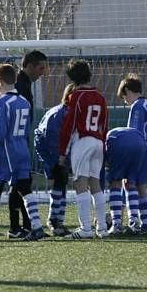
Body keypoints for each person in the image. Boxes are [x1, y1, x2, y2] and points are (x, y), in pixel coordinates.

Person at [0, 64, 45, 242]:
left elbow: (0, 131)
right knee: (25, 188)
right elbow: (27, 128)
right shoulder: (24, 102)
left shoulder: (2, 102)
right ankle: (37, 227)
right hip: (21, 149)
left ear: (0, 81)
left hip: (7, 151)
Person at [57, 59, 108, 239]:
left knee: (80, 183)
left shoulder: (77, 96)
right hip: (98, 142)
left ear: (72, 78)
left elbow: (69, 126)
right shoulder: (100, 96)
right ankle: (102, 228)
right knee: (96, 184)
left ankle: (85, 228)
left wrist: (62, 152)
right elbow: (104, 124)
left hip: (83, 141)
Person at [116, 74, 147, 234]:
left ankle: (134, 222)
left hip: (141, 149)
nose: (125, 101)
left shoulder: (137, 107)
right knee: (140, 185)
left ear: (129, 91)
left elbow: (134, 132)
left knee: (128, 183)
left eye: (124, 97)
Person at [9, 50, 48, 238]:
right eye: (41, 68)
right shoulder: (19, 85)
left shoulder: (24, 84)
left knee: (18, 184)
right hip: (15, 142)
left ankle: (21, 227)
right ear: (30, 66)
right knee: (19, 183)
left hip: (19, 140)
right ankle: (21, 227)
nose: (43, 72)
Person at [34, 83, 75, 236]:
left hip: (61, 156)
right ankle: (53, 220)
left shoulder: (69, 112)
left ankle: (58, 221)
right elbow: (44, 137)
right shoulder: (59, 114)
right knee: (59, 185)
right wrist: (54, 160)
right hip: (55, 156)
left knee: (61, 186)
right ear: (68, 96)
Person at [104, 127, 147, 235]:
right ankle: (134, 222)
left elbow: (106, 163)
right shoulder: (115, 131)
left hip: (119, 143)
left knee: (115, 182)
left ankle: (116, 224)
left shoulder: (106, 137)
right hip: (140, 142)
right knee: (130, 183)